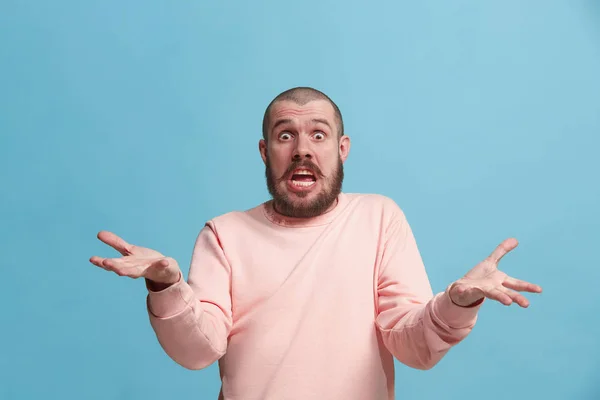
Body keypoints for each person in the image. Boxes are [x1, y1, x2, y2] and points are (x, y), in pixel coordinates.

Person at [89, 87, 542, 400]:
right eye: (286, 135)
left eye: (318, 135)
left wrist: (456, 303)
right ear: (266, 151)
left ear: (342, 149)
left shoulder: (378, 217)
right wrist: (166, 286)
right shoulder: (223, 234)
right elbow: (197, 350)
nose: (302, 149)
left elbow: (412, 345)